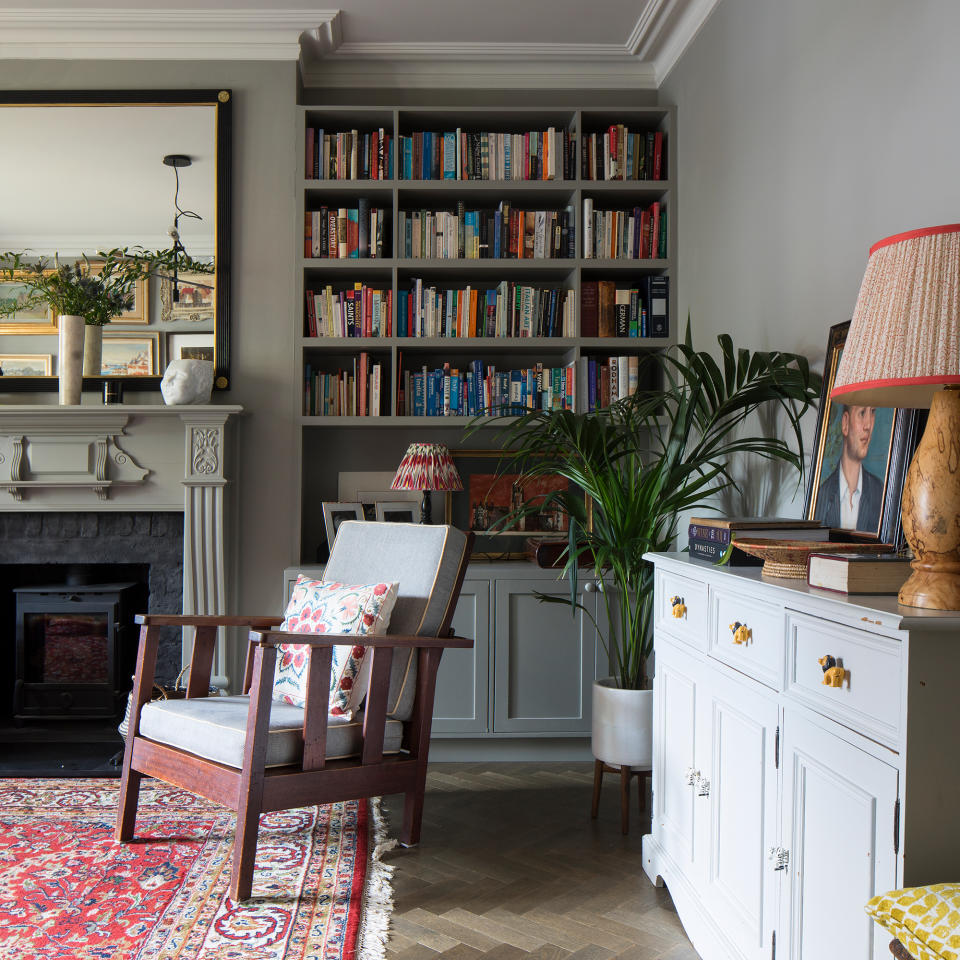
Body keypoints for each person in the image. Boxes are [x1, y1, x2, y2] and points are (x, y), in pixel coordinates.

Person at [815, 404, 884, 532]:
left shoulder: (880, 493)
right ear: (845, 423)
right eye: (862, 413)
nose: (868, 426)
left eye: (872, 412)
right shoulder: (821, 496)